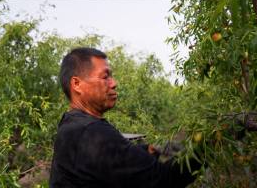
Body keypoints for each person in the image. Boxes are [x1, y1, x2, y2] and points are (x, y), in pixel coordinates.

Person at [49, 47, 200, 188]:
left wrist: (150, 149)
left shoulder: (71, 124)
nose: (114, 83)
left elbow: (113, 159)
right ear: (77, 84)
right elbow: (161, 179)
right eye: (105, 76)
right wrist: (205, 152)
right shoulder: (91, 132)